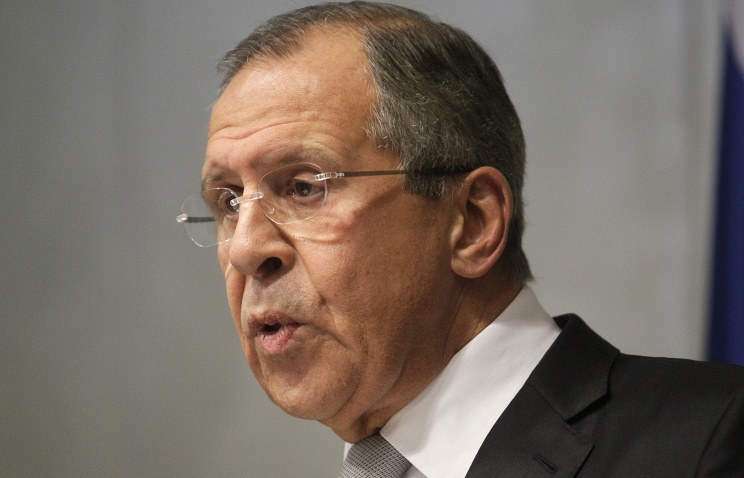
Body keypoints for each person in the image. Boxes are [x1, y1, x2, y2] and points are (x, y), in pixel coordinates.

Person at [177, 2, 744, 476]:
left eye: (304, 187)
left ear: (472, 223)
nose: (246, 249)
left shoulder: (712, 439)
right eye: (229, 202)